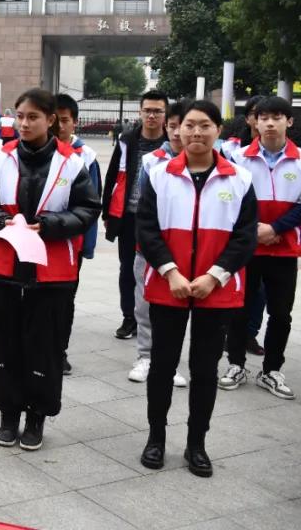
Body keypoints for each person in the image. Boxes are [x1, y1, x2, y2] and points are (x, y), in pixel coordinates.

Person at [0, 88, 100, 451]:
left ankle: (36, 416)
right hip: (4, 266)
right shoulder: (0, 159)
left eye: (33, 117)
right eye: (20, 116)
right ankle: (8, 413)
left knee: (44, 347)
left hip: (52, 272)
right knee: (5, 344)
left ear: (50, 120)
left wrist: (50, 225)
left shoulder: (72, 162)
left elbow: (88, 209)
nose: (24, 124)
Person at [137, 100, 257, 477]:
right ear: (178, 129)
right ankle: (156, 437)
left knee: (205, 370)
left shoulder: (239, 179)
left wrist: (214, 276)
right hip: (168, 286)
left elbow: (245, 237)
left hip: (215, 290)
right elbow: (146, 229)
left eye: (204, 125)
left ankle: (196, 444)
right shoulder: (159, 174)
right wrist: (171, 272)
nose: (195, 132)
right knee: (162, 366)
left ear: (218, 130)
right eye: (189, 125)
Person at [220, 95, 301, 400]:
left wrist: (276, 228)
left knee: (281, 314)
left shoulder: (300, 159)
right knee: (239, 309)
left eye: (276, 117)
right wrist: (255, 229)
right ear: (254, 121)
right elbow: (229, 198)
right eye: (263, 117)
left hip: (284, 249)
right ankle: (236, 364)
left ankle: (271, 370)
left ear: (289, 121)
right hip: (247, 249)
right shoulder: (239, 158)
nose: (269, 123)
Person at [127, 100, 190, 388]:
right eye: (173, 126)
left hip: (186, 248)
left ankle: (169, 362)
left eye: (182, 126)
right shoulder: (152, 161)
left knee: (176, 308)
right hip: (151, 247)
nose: (177, 133)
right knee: (144, 304)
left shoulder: (202, 161)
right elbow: (144, 208)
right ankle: (144, 356)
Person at [102, 90, 169, 340]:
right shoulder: (127, 139)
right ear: (140, 112)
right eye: (147, 110)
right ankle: (129, 317)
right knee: (128, 269)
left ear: (165, 115)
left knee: (160, 268)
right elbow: (112, 175)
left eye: (157, 111)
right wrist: (107, 211)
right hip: (129, 216)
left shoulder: (171, 143)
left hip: (161, 219)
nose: (152, 115)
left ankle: (155, 316)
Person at [54, 93, 103, 374]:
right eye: (54, 120)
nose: (59, 126)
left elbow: (91, 206)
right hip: (34, 239)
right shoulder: (33, 150)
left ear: (75, 122)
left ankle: (59, 351)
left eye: (64, 120)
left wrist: (87, 246)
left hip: (70, 243)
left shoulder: (86, 157)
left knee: (64, 299)